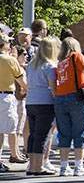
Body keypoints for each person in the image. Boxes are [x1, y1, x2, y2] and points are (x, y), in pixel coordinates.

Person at [53, 37, 84, 177]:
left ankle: (64, 166)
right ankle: (78, 166)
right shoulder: (76, 56)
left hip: (60, 98)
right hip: (76, 97)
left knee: (63, 133)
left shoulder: (60, 62)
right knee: (79, 132)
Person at [24, 37, 59, 175]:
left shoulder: (32, 65)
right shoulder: (50, 66)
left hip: (31, 101)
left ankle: (32, 165)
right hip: (45, 102)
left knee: (33, 135)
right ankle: (38, 167)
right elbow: (53, 88)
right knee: (42, 136)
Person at [0, 35, 28, 173]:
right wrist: (28, 90)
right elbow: (21, 80)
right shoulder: (10, 60)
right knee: (11, 128)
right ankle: (14, 154)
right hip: (5, 96)